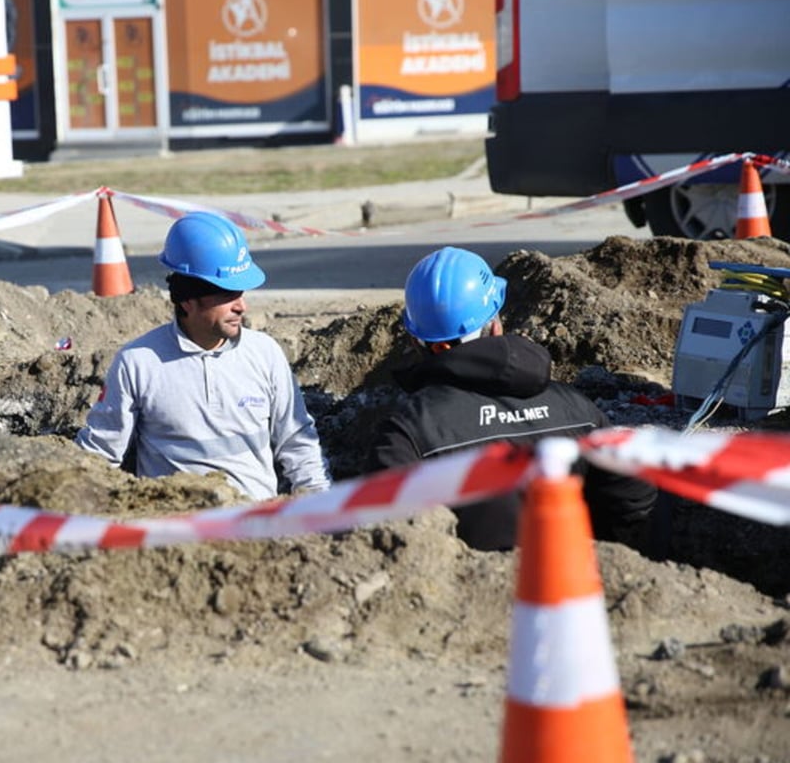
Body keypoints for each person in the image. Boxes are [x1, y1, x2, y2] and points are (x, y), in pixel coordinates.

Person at [367, 246, 657, 551]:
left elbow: (389, 534)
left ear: (417, 341)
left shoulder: (407, 433)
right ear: (495, 324)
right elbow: (634, 496)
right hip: (571, 584)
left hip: (470, 594)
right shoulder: (577, 408)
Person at [76, 211, 330, 501]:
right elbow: (98, 458)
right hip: (178, 534)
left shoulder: (265, 354)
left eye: (242, 293)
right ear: (187, 299)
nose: (241, 306)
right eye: (227, 295)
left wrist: (321, 504)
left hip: (256, 527)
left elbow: (299, 444)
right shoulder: (138, 363)